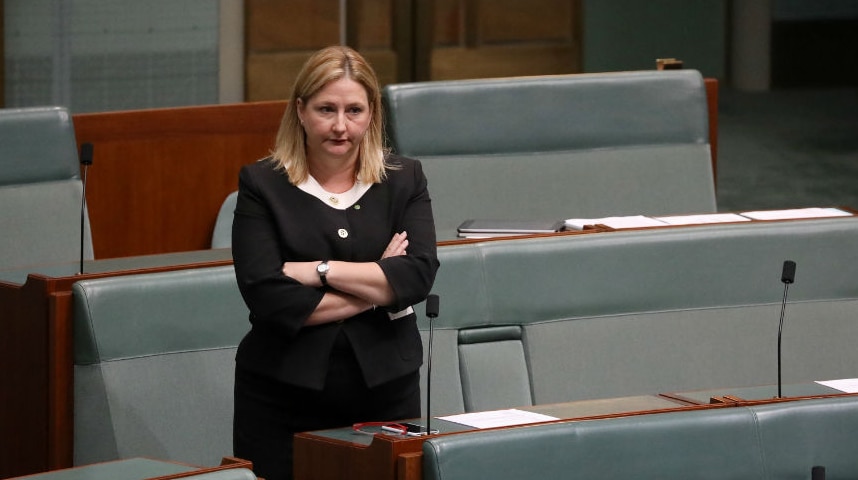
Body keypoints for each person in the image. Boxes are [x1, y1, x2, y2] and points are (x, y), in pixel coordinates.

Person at [230, 45, 439, 480]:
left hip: (386, 390)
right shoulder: (262, 184)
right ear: (301, 111)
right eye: (326, 109)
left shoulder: (404, 179)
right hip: (281, 397)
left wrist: (318, 271)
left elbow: (416, 276)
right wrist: (377, 285)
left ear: (372, 113)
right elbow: (270, 297)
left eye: (354, 110)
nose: (341, 126)